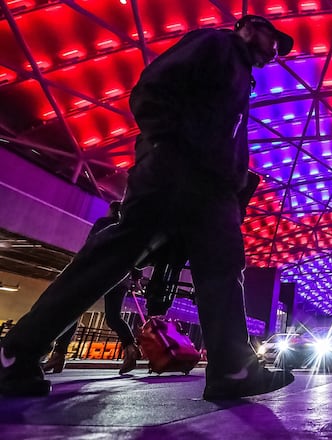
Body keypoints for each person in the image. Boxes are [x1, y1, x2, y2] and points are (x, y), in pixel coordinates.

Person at [0, 15, 296, 400]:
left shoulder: (239, 73)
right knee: (116, 257)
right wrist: (168, 147)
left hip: (207, 182)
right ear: (249, 27)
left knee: (216, 266)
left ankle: (233, 369)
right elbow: (151, 89)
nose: (275, 52)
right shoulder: (214, 44)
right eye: (274, 40)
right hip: (179, 172)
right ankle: (18, 350)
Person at [41, 201, 142, 375]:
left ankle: (59, 354)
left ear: (111, 210)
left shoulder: (103, 223)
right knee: (113, 317)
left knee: (74, 311)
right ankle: (131, 348)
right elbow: (136, 257)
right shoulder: (129, 227)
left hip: (100, 273)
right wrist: (136, 278)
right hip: (121, 277)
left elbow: (92, 245)